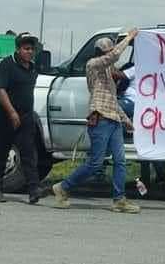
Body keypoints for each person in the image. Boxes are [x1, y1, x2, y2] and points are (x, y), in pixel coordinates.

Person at [53, 29, 140, 213]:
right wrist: (130, 38)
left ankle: (119, 199)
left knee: (120, 160)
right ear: (102, 53)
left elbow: (111, 98)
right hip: (100, 118)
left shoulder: (107, 72)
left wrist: (125, 120)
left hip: (113, 118)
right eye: (108, 52)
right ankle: (63, 187)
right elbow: (114, 56)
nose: (111, 54)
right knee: (95, 163)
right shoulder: (92, 65)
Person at [0, 32, 43, 204]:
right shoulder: (7, 64)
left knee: (28, 152)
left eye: (32, 49)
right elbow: (1, 90)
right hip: (7, 115)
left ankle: (34, 189)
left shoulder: (33, 67)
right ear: (18, 49)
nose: (30, 52)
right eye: (26, 48)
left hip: (26, 116)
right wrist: (12, 112)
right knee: (3, 151)